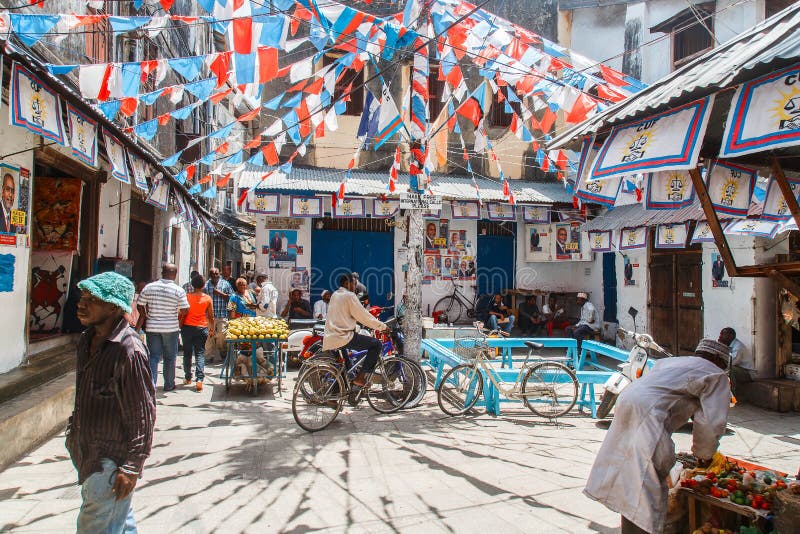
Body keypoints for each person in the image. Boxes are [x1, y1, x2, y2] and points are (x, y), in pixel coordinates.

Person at [585, 339, 731, 534]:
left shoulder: (675, 362)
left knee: (627, 475)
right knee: (647, 483)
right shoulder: (716, 374)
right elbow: (711, 421)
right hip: (650, 414)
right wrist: (704, 454)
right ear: (719, 360)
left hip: (629, 400)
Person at [68, 271, 156, 533]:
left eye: (93, 299)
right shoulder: (87, 340)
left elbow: (142, 412)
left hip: (110, 459)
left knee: (96, 526)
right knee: (118, 522)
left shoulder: (128, 350)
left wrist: (131, 466)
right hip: (88, 452)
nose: (82, 304)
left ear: (114, 306)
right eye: (83, 297)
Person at [323, 273, 387, 387]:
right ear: (347, 283)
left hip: (331, 337)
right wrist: (383, 326)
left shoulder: (335, 294)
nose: (356, 286)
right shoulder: (349, 296)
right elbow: (363, 316)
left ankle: (334, 397)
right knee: (376, 345)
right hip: (343, 336)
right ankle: (361, 378)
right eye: (354, 283)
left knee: (345, 368)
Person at [136, 263, 189, 391]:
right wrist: (176, 317)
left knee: (153, 356)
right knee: (170, 357)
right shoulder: (178, 290)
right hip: (171, 328)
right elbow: (185, 309)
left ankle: (151, 385)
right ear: (175, 274)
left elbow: (139, 305)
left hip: (152, 327)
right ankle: (169, 384)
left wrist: (146, 315)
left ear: (162, 272)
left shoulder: (149, 287)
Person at [180, 274, 213, 392]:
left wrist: (180, 325)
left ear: (192, 285)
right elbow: (211, 316)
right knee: (200, 353)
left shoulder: (187, 297)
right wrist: (211, 328)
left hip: (187, 328)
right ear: (204, 285)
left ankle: (188, 377)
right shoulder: (208, 298)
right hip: (202, 328)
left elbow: (182, 313)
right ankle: (199, 379)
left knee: (187, 353)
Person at [204, 267, 233, 361]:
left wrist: (220, 293)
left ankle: (223, 351)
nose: (215, 275)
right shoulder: (206, 285)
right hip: (209, 316)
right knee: (209, 336)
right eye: (212, 274)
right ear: (210, 275)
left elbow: (232, 298)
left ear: (219, 274)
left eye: (216, 273)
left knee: (222, 335)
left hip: (222, 315)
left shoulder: (225, 284)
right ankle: (209, 356)